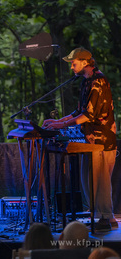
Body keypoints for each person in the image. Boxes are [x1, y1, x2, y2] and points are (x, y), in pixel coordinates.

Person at [43, 48, 117, 232]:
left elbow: (89, 115)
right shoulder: (86, 82)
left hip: (102, 140)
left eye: (73, 63)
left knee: (100, 182)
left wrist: (63, 125)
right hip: (90, 139)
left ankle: (105, 218)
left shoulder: (98, 81)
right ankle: (104, 217)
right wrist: (58, 121)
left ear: (85, 62)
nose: (71, 68)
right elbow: (79, 111)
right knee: (90, 181)